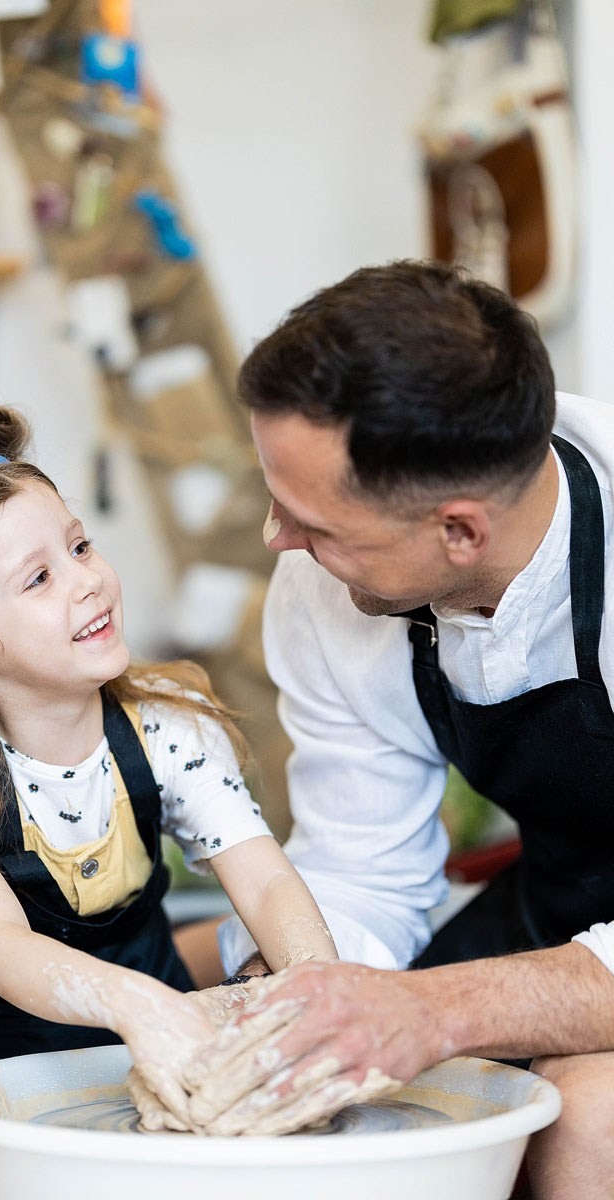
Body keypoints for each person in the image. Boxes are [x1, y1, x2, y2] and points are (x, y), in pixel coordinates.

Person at [190, 261, 614, 1198]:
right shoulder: (324, 588)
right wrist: (294, 987)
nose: (275, 539)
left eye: (313, 521)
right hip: (558, 904)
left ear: (460, 532)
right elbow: (367, 874)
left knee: (585, 1112)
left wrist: (431, 1011)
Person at [0, 406, 338, 1152]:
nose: (87, 581)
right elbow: (5, 948)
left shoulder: (168, 728)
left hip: (161, 1050)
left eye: (81, 546)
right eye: (39, 578)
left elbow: (264, 882)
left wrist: (317, 992)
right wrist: (142, 1007)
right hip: (20, 1094)